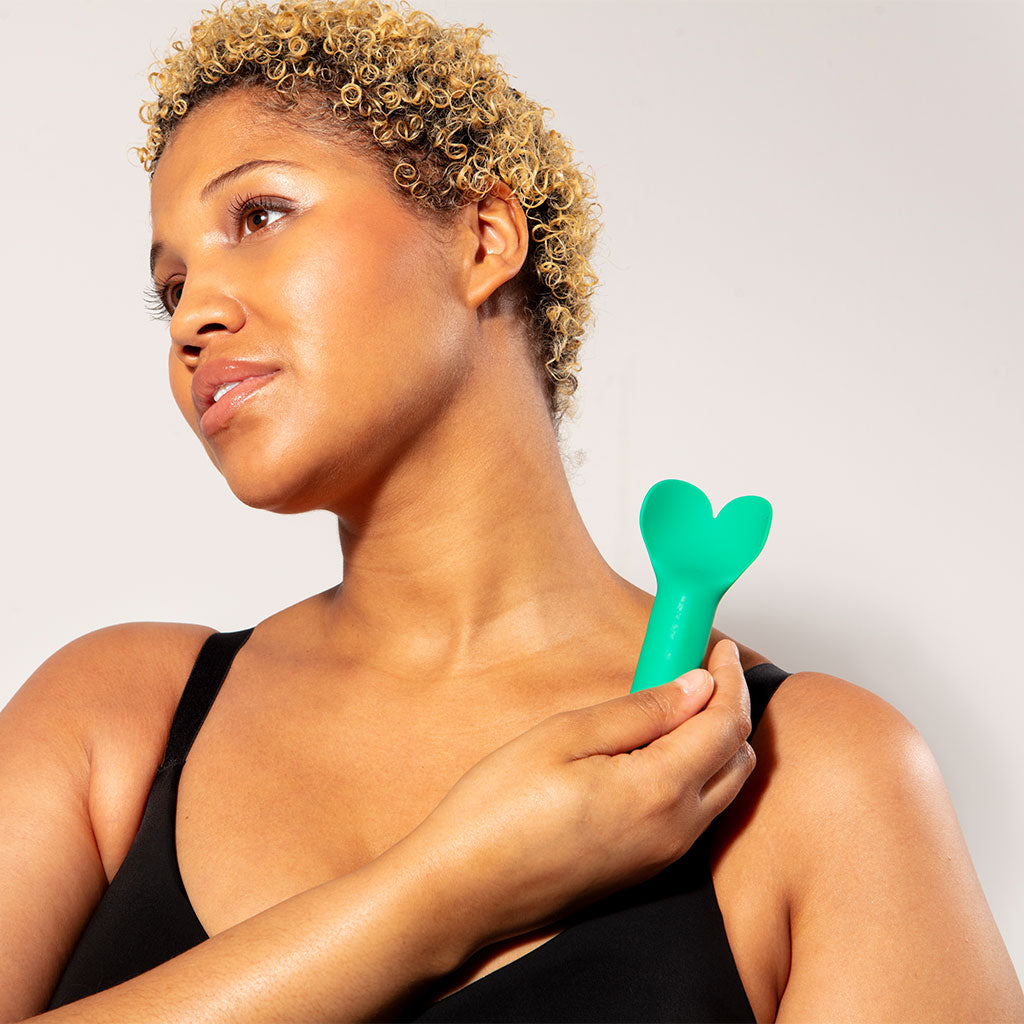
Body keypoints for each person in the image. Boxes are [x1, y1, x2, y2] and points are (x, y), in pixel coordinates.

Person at [2, 1, 1022, 1020]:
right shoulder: (114, 719)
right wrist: (441, 889)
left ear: (484, 236)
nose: (194, 315)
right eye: (169, 284)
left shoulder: (822, 779)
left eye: (260, 216)